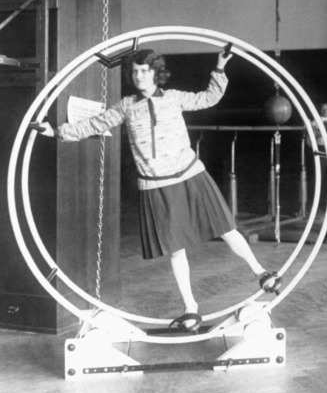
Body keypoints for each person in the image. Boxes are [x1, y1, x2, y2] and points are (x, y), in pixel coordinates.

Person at [32, 47, 281, 332]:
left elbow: (209, 97)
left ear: (156, 73)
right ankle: (191, 309)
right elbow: (95, 124)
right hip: (156, 185)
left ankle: (262, 273)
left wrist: (220, 67)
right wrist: (56, 132)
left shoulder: (174, 97)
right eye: (135, 71)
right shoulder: (126, 105)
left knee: (226, 228)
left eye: (145, 71)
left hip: (191, 175)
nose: (139, 76)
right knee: (176, 250)